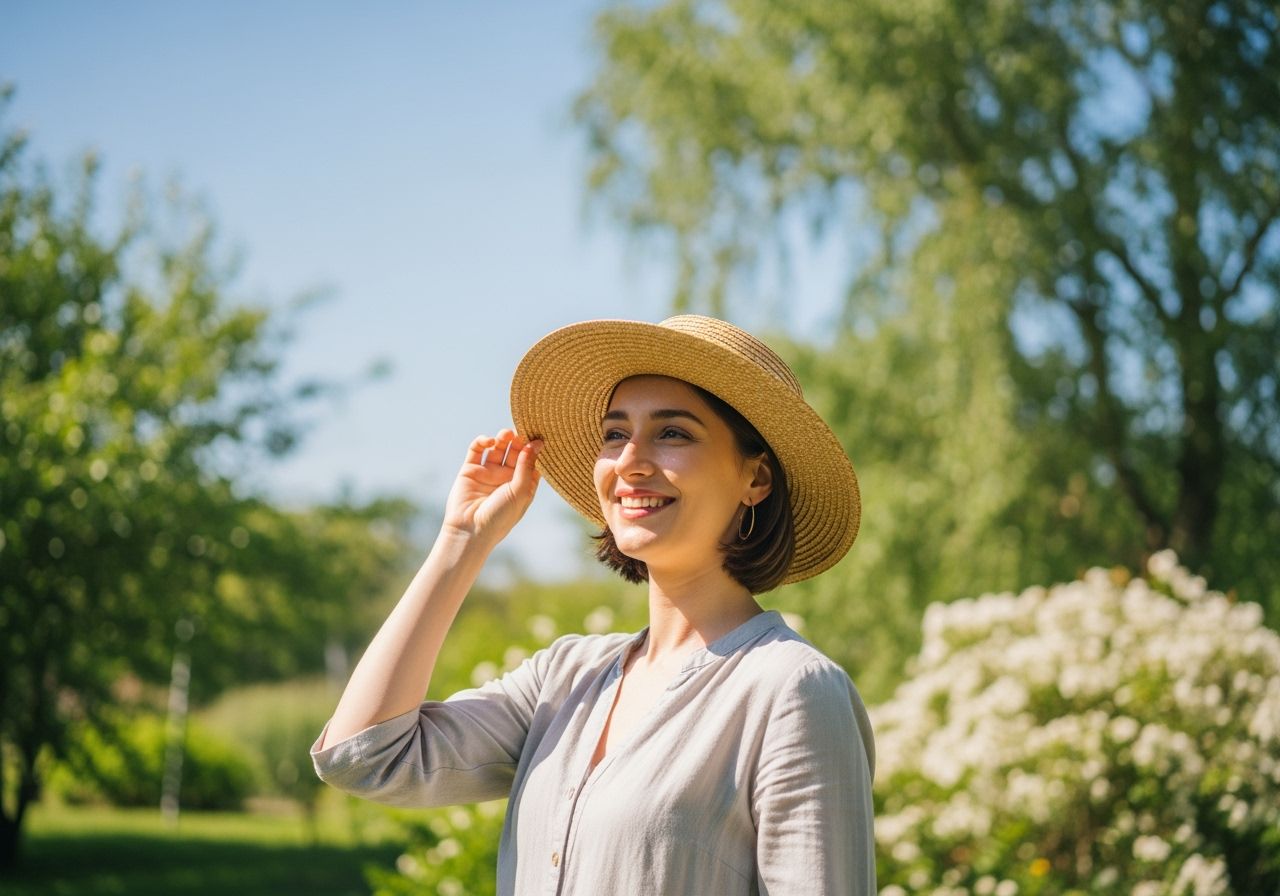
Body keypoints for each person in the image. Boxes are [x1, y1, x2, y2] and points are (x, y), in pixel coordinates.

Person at [312, 315, 876, 895]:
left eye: (673, 433)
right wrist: (462, 543)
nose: (630, 460)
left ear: (755, 478)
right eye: (614, 434)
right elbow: (365, 757)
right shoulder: (563, 678)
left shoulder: (793, 690)